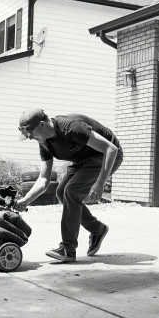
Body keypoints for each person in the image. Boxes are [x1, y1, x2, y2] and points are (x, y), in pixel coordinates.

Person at [15, 108, 123, 262]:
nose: (30, 138)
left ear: (42, 124)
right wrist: (25, 200)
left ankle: (68, 249)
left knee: (72, 191)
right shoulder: (44, 142)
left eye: (31, 133)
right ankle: (97, 229)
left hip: (106, 156)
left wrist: (100, 183)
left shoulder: (71, 127)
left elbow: (110, 149)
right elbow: (44, 179)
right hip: (82, 160)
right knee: (60, 192)